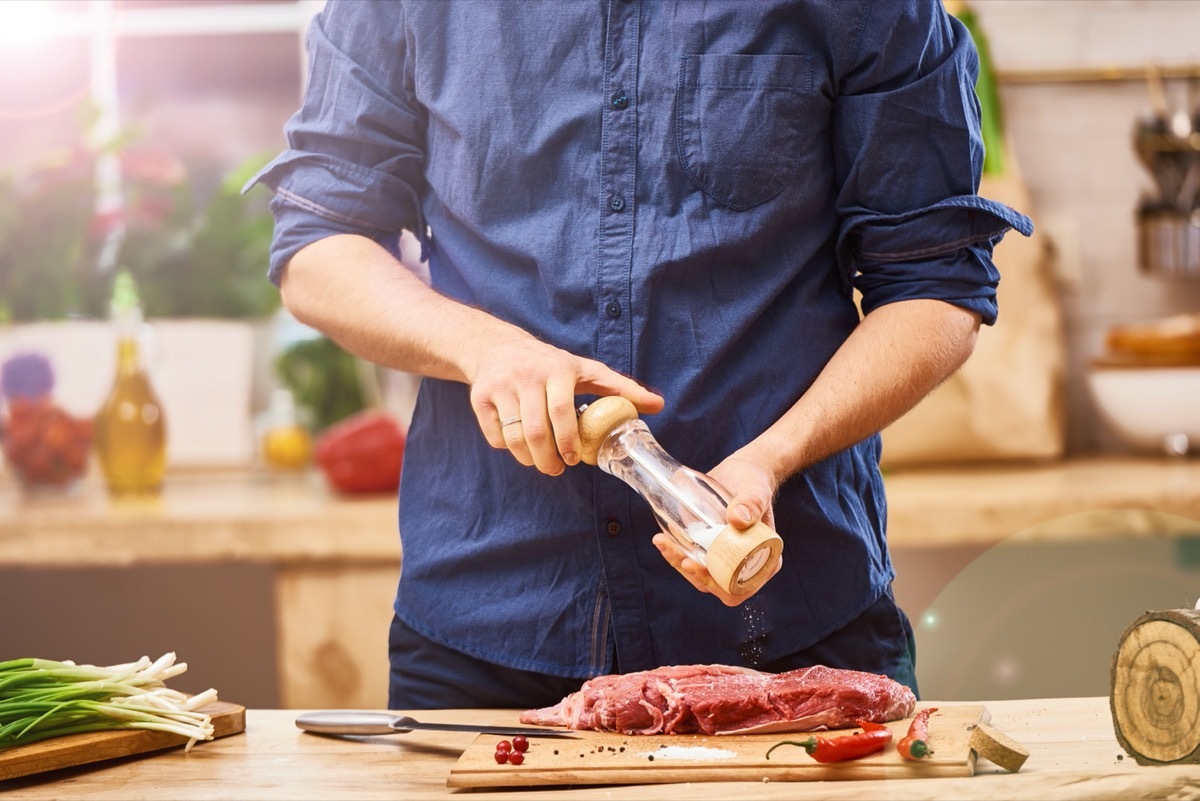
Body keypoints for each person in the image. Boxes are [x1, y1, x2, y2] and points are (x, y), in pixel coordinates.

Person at [247, 0, 1031, 711]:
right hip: (486, 624)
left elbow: (935, 288)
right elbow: (320, 243)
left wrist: (773, 457)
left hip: (794, 626)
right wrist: (480, 346)